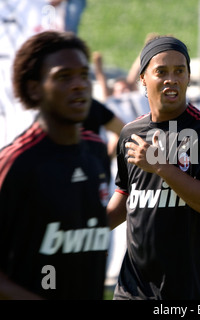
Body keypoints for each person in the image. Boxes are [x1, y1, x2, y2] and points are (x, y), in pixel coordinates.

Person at [106, 35, 200, 300]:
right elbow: (127, 195)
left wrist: (162, 167)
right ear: (143, 78)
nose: (171, 79)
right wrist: (87, 225)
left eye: (179, 71)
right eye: (161, 71)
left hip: (192, 290)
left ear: (188, 77)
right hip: (134, 289)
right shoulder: (131, 132)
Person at [0, 31, 111, 299]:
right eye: (64, 76)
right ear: (34, 88)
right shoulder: (17, 161)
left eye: (84, 75)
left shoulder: (96, 152)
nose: (79, 85)